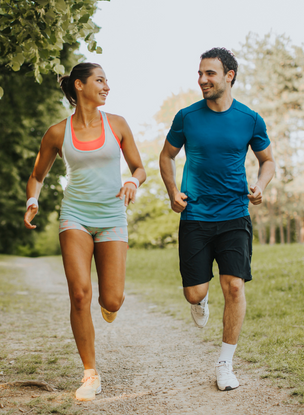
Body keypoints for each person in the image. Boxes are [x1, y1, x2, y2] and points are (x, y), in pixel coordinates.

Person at [24, 62, 146, 401]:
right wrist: (33, 198)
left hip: (111, 216)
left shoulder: (117, 125)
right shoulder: (57, 132)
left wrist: (132, 181)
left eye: (107, 81)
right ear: (80, 86)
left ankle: (111, 305)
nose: (107, 87)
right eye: (100, 80)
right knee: (79, 294)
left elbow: (139, 167)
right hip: (75, 215)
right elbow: (37, 174)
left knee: (112, 299)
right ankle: (90, 374)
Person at [159, 47, 275, 391]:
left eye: (209, 73)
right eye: (199, 74)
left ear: (229, 76)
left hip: (234, 214)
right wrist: (171, 192)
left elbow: (267, 161)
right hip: (195, 215)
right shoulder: (187, 117)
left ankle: (225, 363)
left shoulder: (250, 118)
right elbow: (166, 156)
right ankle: (201, 299)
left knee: (234, 286)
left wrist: (260, 185)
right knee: (194, 293)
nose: (202, 80)